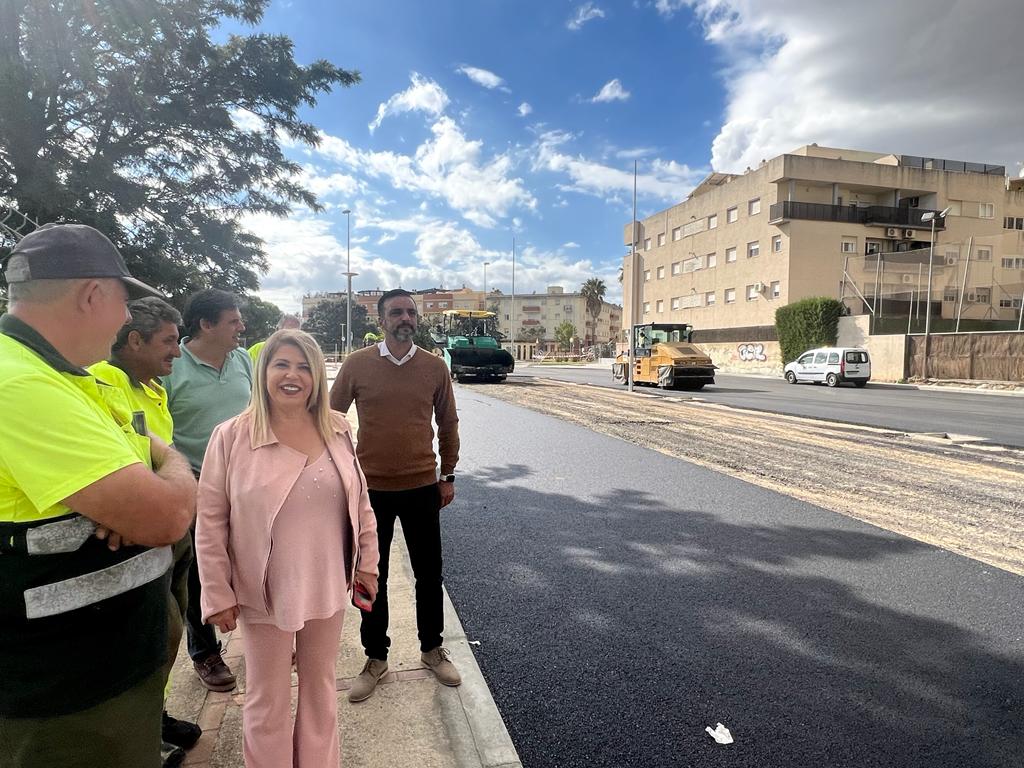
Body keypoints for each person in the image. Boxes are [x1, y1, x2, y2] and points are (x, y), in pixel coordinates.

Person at [0, 223, 196, 768]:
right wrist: (164, 482)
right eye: (122, 303)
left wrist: (145, 484)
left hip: (102, 669)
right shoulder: (22, 386)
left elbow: (150, 454)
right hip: (63, 696)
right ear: (92, 295)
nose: (124, 320)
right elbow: (169, 514)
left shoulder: (70, 378)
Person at [196, 329, 379, 767]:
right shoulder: (231, 436)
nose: (292, 375)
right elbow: (210, 521)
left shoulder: (337, 429)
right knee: (267, 697)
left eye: (303, 367)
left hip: (326, 585)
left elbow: (360, 500)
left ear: (316, 377)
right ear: (263, 373)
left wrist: (367, 564)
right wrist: (217, 593)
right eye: (281, 365)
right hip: (262, 593)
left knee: (320, 690)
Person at [329, 288, 461, 703]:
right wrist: (341, 475)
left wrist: (448, 473)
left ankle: (431, 649)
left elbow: (448, 422)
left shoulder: (434, 367)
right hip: (371, 493)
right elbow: (331, 419)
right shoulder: (357, 365)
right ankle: (375, 658)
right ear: (381, 320)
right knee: (371, 576)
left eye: (410, 312)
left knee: (429, 574)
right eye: (396, 312)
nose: (405, 318)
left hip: (423, 486)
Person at [88, 297, 202, 767]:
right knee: (152, 636)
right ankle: (140, 737)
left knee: (170, 629)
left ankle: (154, 716)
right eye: (169, 342)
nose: (177, 351)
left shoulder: (150, 387)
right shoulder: (101, 383)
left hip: (168, 531)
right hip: (134, 534)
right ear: (134, 340)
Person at [163, 289, 252, 692]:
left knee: (250, 558)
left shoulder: (243, 361)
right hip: (195, 483)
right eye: (233, 321)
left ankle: (257, 630)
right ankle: (205, 652)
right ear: (206, 324)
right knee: (201, 571)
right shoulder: (171, 367)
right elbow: (155, 435)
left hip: (246, 481)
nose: (241, 328)